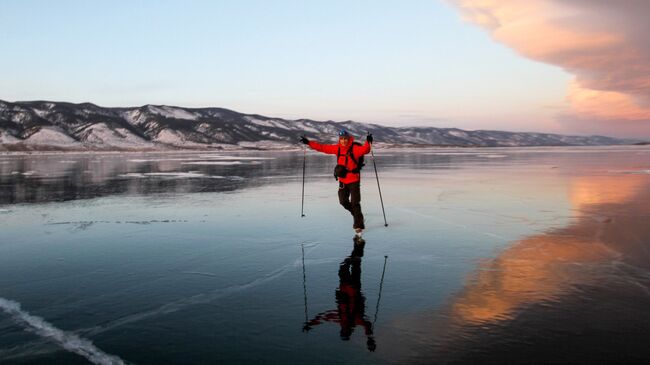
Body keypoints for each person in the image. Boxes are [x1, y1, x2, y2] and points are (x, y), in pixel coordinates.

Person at [302, 238, 376, 352]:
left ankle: (357, 246)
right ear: (349, 331)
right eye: (345, 332)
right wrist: (370, 338)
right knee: (355, 263)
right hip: (355, 287)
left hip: (345, 285)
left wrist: (310, 324)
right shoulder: (355, 320)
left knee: (344, 265)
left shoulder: (340, 318)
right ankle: (359, 245)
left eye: (343, 332)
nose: (344, 330)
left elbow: (323, 317)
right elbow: (367, 325)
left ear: (342, 331)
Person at [301, 130, 373, 236]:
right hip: (343, 180)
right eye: (341, 139)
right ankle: (357, 215)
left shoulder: (355, 149)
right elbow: (322, 148)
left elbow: (365, 150)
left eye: (345, 139)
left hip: (354, 180)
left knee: (355, 203)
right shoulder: (337, 148)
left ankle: (358, 226)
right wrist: (309, 143)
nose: (343, 141)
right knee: (343, 201)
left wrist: (368, 141)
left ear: (349, 139)